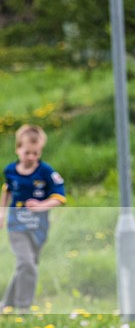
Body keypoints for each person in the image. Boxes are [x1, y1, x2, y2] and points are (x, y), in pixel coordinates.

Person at [0, 125, 66, 313]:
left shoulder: (46, 172)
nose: (31, 157)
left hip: (38, 226)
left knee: (28, 266)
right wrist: (2, 212)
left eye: (36, 153)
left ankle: (6, 305)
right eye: (27, 152)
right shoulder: (11, 170)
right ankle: (23, 309)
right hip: (17, 226)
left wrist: (41, 205)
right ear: (17, 149)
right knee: (26, 263)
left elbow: (60, 198)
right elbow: (7, 189)